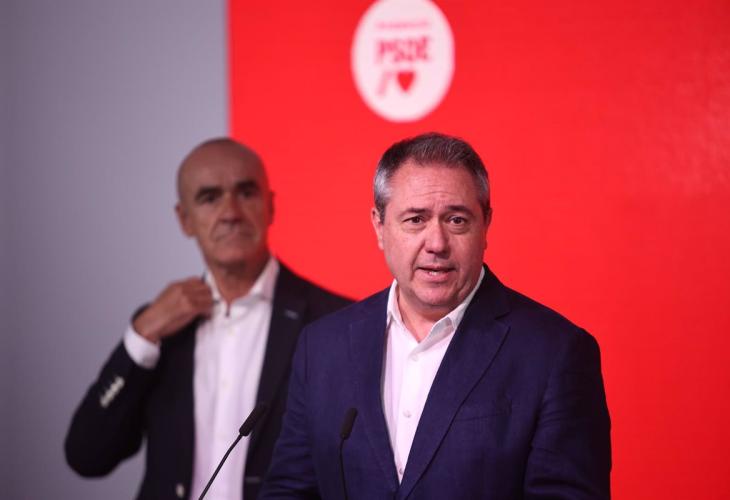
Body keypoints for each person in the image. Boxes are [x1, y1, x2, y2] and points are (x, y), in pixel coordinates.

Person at [259, 132, 611, 499]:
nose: (437, 243)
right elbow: (290, 490)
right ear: (379, 226)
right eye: (415, 220)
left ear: (486, 225)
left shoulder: (554, 353)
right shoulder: (321, 347)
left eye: (457, 220)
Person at [64, 138, 351, 500]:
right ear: (184, 219)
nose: (231, 212)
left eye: (246, 193)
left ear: (270, 206)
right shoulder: (159, 328)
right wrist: (140, 337)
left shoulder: (337, 323)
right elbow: (87, 456)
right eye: (210, 198)